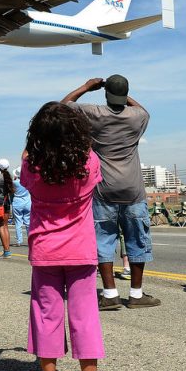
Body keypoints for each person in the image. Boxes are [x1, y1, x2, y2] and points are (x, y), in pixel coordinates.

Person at [21, 102, 112, 371]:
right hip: (81, 249)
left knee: (46, 313)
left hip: (45, 248)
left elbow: (29, 157)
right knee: (84, 314)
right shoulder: (88, 161)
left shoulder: (31, 164)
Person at [62, 75, 160, 310]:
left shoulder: (94, 113)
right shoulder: (138, 117)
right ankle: (136, 295)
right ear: (125, 95)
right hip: (133, 189)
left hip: (103, 188)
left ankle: (109, 294)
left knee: (103, 240)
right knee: (137, 239)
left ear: (106, 95)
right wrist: (123, 94)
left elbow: (62, 107)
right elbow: (141, 108)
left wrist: (87, 87)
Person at [11, 167, 31, 246]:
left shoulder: (14, 182)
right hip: (27, 202)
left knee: (18, 223)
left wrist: (14, 178)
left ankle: (19, 241)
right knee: (28, 222)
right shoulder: (28, 181)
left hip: (17, 202)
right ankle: (30, 240)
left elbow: (11, 191)